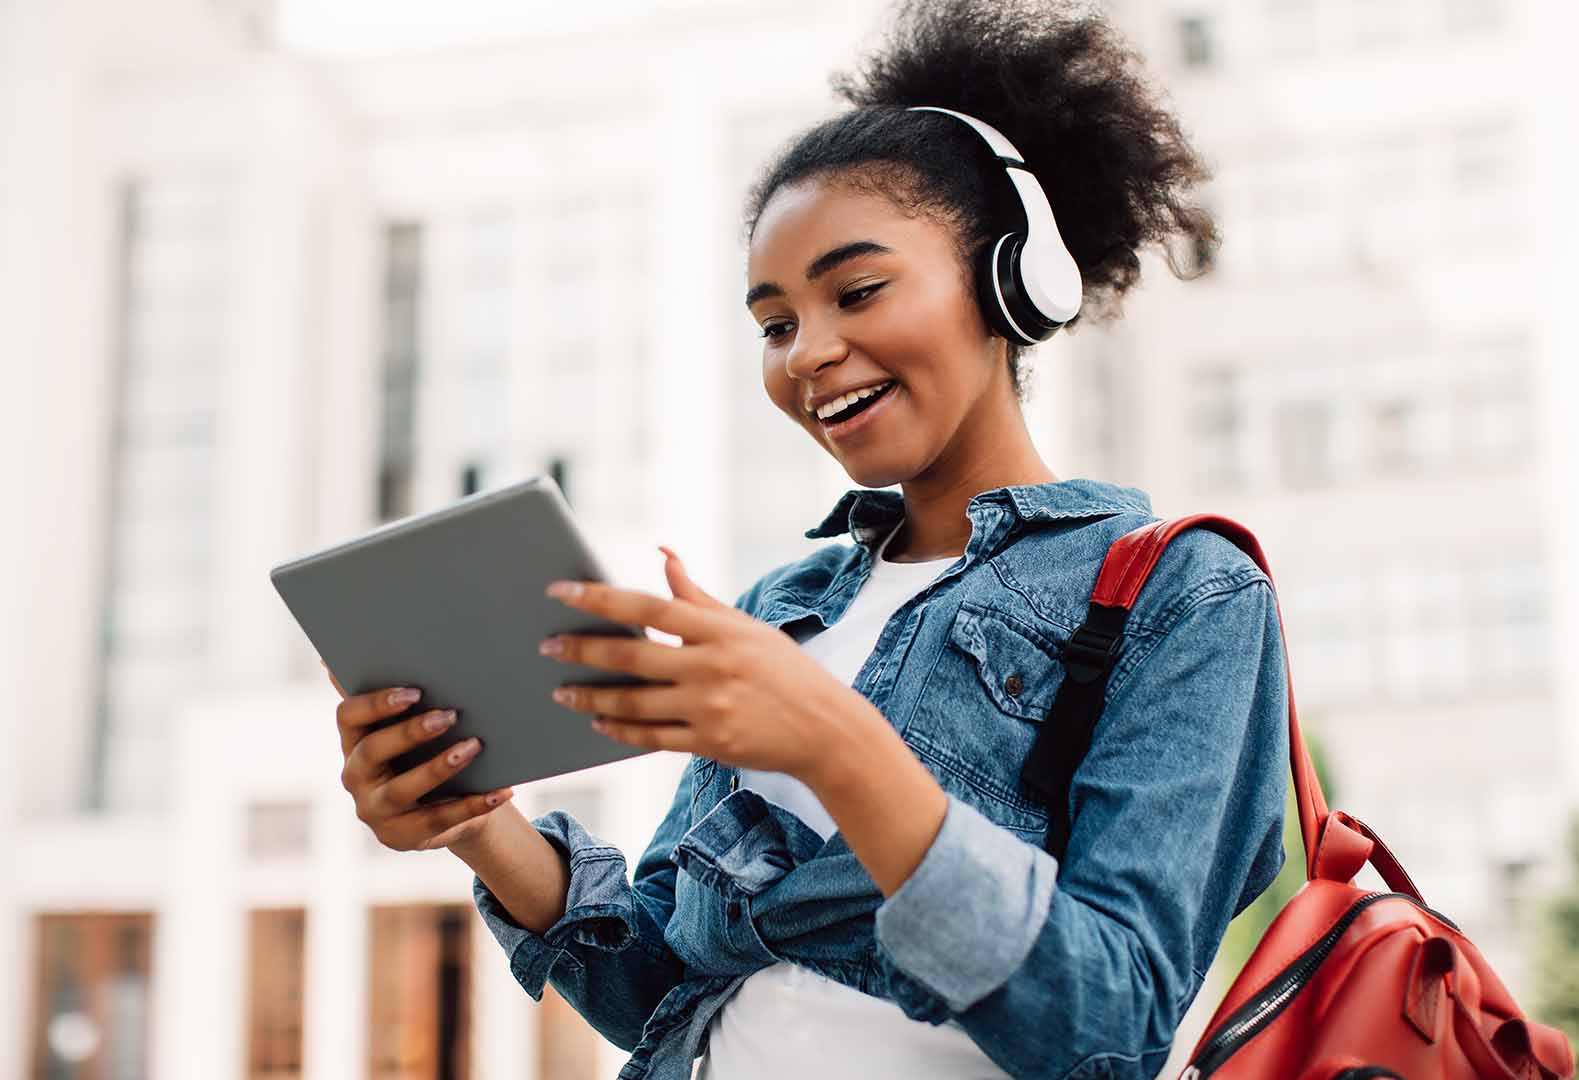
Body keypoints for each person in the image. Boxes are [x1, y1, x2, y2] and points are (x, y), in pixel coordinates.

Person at [329, 0, 1291, 1076]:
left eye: (859, 290)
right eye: (776, 324)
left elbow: (1107, 1025)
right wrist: (477, 821)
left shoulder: (1182, 595)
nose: (808, 354)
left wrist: (833, 744)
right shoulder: (784, 611)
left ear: (1009, 280)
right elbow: (657, 986)